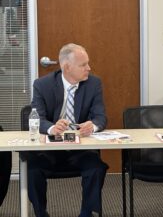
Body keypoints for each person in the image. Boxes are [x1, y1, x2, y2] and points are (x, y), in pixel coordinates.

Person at [27, 43, 108, 217]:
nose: (89, 68)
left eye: (88, 63)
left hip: (80, 149)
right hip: (50, 149)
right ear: (66, 67)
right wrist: (51, 128)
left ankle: (86, 214)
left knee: (96, 168)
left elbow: (100, 117)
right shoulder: (42, 85)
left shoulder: (93, 84)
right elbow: (36, 118)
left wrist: (92, 126)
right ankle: (41, 214)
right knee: (33, 170)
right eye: (83, 65)